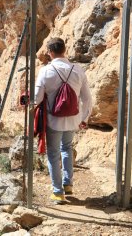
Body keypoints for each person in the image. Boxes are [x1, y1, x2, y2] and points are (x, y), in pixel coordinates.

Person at [35, 37, 92, 204]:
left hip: (54, 120)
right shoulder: (78, 70)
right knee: (67, 148)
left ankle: (57, 192)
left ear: (50, 52)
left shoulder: (46, 71)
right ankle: (68, 184)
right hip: (73, 119)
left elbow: (37, 98)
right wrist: (84, 118)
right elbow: (87, 98)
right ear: (64, 50)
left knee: (53, 154)